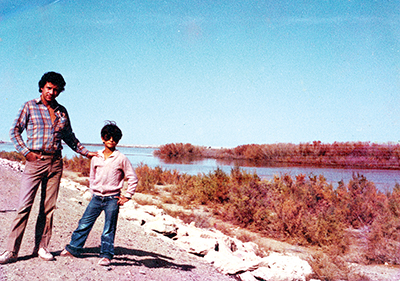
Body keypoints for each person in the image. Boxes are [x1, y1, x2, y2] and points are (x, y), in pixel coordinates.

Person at [0, 72, 97, 264]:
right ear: (42, 87)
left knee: (48, 208)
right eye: (48, 88)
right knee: (24, 206)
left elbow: (69, 137)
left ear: (60, 91)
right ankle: (11, 251)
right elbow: (14, 131)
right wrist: (26, 152)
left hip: (55, 163)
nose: (52, 92)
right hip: (35, 161)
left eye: (56, 89)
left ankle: (42, 247)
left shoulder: (62, 111)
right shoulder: (29, 106)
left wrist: (87, 153)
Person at [60, 121, 138, 266]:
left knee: (109, 227)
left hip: (112, 199)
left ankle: (106, 255)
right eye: (108, 137)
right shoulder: (96, 156)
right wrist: (92, 190)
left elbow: (132, 177)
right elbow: (92, 176)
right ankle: (74, 248)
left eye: (114, 138)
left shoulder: (121, 158)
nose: (111, 140)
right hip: (96, 198)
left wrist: (127, 196)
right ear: (102, 138)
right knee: (84, 223)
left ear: (118, 140)